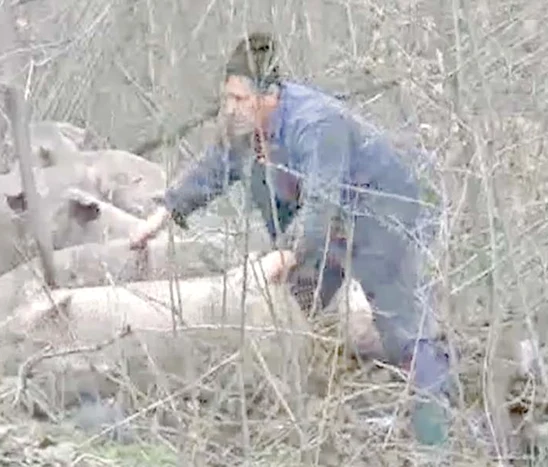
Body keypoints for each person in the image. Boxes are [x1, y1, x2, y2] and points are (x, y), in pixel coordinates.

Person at [130, 32, 454, 446]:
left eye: (238, 99)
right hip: (331, 222)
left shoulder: (317, 123)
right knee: (290, 302)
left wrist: (286, 251)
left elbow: (321, 198)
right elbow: (217, 167)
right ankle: (298, 410)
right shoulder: (251, 126)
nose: (230, 108)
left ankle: (436, 438)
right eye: (227, 98)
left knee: (402, 331)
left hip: (381, 213)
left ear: (270, 95)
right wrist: (165, 212)